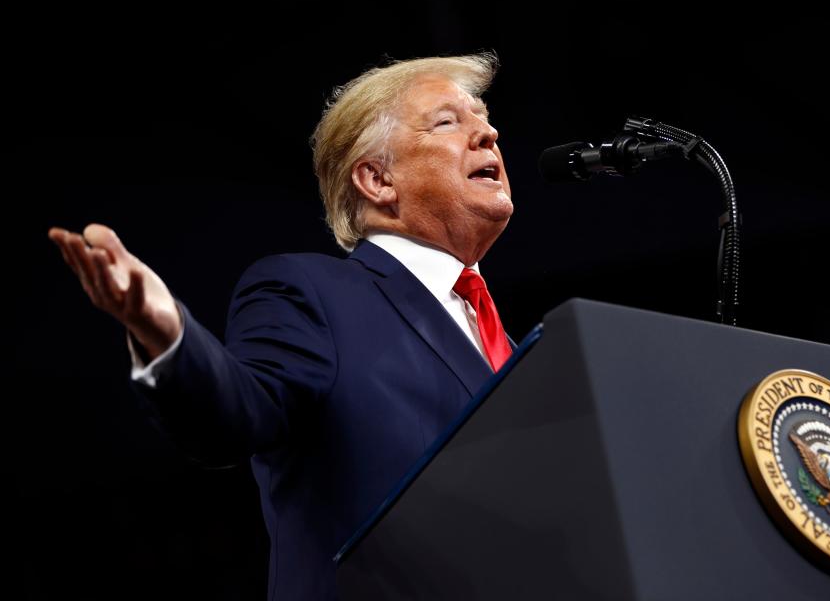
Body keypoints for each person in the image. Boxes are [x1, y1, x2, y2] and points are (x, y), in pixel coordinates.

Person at [48, 53, 514, 601]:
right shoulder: (312, 292)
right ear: (377, 179)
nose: (488, 132)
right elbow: (237, 410)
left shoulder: (506, 339)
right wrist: (167, 333)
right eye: (447, 121)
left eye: (482, 119)